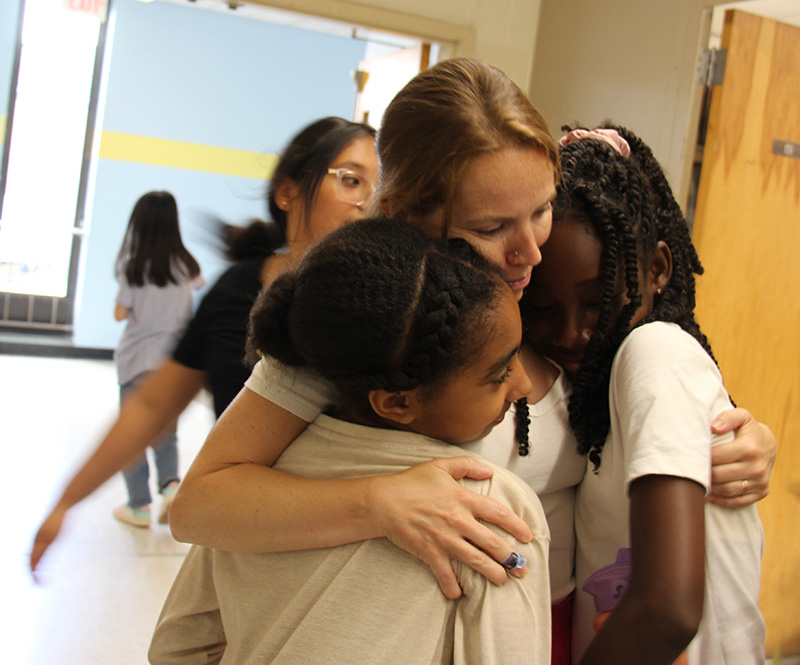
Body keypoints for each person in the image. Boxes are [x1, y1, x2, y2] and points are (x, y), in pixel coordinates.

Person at [168, 58, 775, 661]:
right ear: (407, 212)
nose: (530, 252)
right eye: (490, 226)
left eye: (540, 209)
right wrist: (380, 502)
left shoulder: (548, 300)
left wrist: (738, 435)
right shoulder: (373, 322)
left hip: (551, 629)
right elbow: (201, 505)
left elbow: (650, 397)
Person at [149, 218, 552, 665]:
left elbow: (178, 647)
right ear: (396, 403)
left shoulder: (249, 494)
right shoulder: (489, 509)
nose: (524, 384)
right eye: (498, 374)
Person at [29, 117, 378, 571]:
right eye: (351, 180)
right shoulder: (236, 291)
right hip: (247, 541)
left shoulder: (378, 306)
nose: (367, 202)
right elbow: (154, 405)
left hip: (346, 549)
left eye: (379, 187)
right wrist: (65, 503)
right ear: (287, 191)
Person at [522, 125, 764, 664]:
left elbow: (667, 610)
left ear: (657, 270)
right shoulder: (592, 388)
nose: (569, 333)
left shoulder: (653, 351)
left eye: (598, 300)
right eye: (540, 307)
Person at [111, 190, 204, 527]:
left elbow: (120, 313)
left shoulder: (134, 265)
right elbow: (199, 283)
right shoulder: (185, 264)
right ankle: (170, 487)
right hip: (172, 363)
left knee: (133, 435)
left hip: (137, 361)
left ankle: (138, 505)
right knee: (166, 432)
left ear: (139, 224)